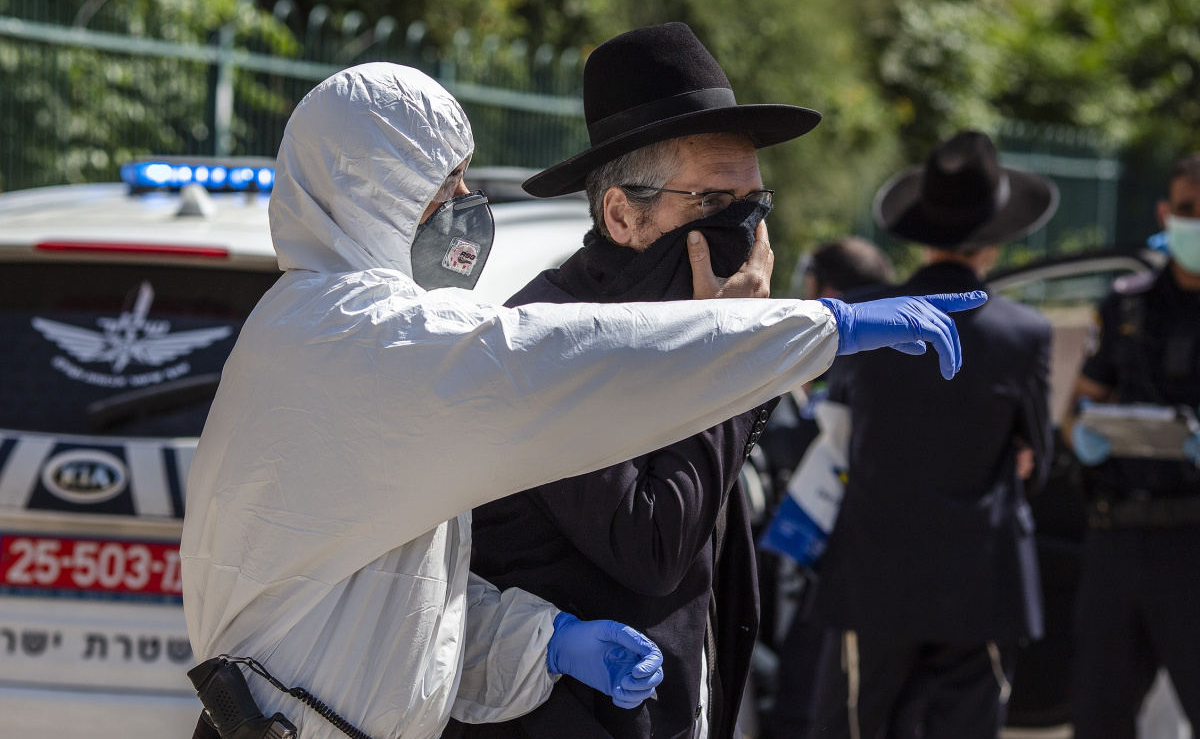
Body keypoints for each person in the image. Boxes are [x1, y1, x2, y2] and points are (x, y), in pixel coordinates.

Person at [180, 61, 984, 739]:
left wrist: (545, 642)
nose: (467, 204)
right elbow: (570, 358)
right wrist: (811, 330)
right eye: (445, 185)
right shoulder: (362, 337)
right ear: (374, 192)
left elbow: (402, 604)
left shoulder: (338, 332)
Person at [445, 21, 821, 739]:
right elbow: (652, 544)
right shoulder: (551, 342)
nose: (744, 228)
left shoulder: (679, 324)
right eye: (713, 204)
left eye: (755, 203)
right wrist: (732, 355)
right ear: (622, 215)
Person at [807, 131, 1058, 739]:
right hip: (980, 581)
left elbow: (832, 421)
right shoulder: (1024, 333)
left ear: (921, 232)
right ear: (995, 240)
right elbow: (1038, 461)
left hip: (873, 574)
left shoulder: (864, 315)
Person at [1065, 154, 1200, 739]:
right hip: (1116, 540)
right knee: (1099, 717)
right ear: (1166, 215)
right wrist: (1083, 434)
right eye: (1189, 209)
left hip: (1194, 542)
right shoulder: (1127, 304)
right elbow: (1075, 410)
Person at [766, 238, 895, 739]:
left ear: (832, 293)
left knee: (809, 695)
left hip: (840, 558)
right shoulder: (904, 337)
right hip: (902, 562)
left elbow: (807, 442)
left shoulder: (848, 346)